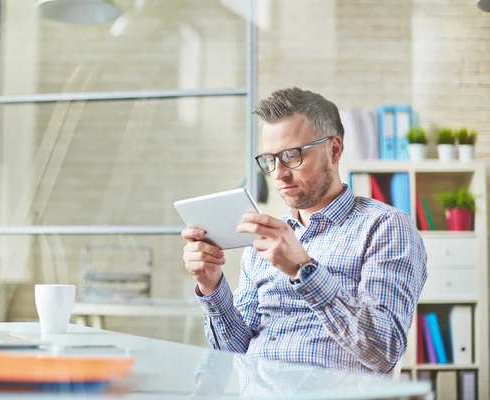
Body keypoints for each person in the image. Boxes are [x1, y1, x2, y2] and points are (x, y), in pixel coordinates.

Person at [182, 87, 428, 374]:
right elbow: (234, 353)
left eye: (292, 155)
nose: (279, 174)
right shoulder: (264, 239)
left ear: (334, 149)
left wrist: (303, 270)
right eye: (270, 160)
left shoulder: (384, 227)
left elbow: (383, 350)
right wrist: (212, 286)